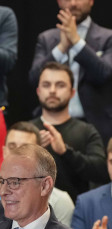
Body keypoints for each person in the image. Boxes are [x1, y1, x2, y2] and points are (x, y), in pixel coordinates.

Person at [29, 0, 112, 144]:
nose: (73, 4)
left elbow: (103, 74)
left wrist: (76, 41)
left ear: (91, 1)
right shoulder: (47, 39)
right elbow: (35, 79)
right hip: (50, 124)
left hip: (96, 126)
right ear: (59, 2)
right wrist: (61, 47)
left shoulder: (108, 37)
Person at [0, 121, 74, 226]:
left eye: (25, 148)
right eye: (12, 147)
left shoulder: (60, 202)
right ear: (4, 151)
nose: (16, 153)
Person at [30, 61, 108, 201]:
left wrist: (65, 152)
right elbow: (8, 171)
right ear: (38, 91)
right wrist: (31, 150)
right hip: (29, 211)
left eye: (60, 85)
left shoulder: (86, 131)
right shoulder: (26, 131)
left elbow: (102, 172)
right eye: (46, 85)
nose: (52, 90)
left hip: (74, 213)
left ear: (72, 92)